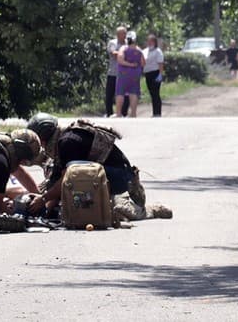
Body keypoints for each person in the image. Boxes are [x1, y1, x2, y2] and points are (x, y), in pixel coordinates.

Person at [24, 114, 171, 221]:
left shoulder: (67, 142)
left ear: (43, 139)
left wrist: (42, 200)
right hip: (106, 176)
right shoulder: (63, 139)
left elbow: (66, 180)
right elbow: (56, 183)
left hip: (120, 178)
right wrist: (44, 210)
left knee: (118, 211)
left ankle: (146, 209)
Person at [116, 33, 145, 118]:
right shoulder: (139, 50)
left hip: (123, 74)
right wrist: (135, 66)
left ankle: (118, 113)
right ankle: (133, 114)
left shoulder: (123, 48)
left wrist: (129, 64)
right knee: (133, 93)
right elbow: (143, 62)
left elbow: (120, 59)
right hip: (135, 75)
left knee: (120, 92)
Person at [105, 27, 131, 117]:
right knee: (109, 95)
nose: (124, 36)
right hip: (113, 73)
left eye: (125, 33)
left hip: (125, 74)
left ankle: (123, 113)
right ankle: (109, 113)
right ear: (117, 35)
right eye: (122, 34)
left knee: (126, 95)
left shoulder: (128, 44)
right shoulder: (113, 43)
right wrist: (124, 54)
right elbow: (113, 53)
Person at [143, 34, 165, 117]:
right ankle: (154, 112)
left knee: (156, 93)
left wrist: (160, 74)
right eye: (148, 41)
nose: (149, 42)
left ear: (154, 42)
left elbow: (160, 64)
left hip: (155, 73)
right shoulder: (145, 51)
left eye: (151, 41)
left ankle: (157, 112)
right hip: (147, 73)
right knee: (152, 93)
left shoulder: (158, 51)